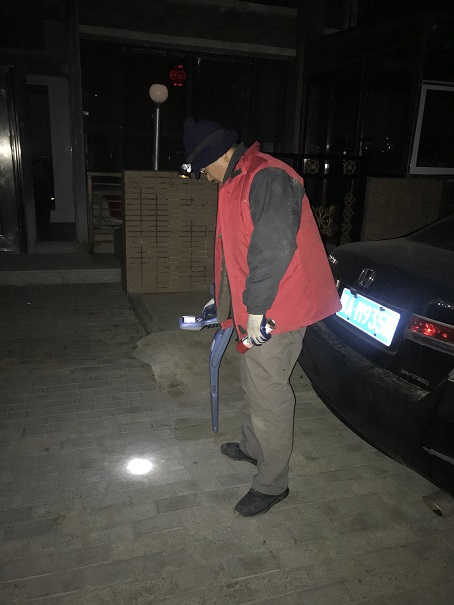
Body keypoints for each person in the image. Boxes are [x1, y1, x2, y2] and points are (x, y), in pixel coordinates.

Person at [181, 117, 341, 517]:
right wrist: (221, 302)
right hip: (257, 307)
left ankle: (272, 484)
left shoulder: (268, 177)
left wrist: (255, 311)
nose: (204, 178)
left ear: (216, 156)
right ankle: (254, 447)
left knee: (269, 394)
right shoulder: (237, 179)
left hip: (278, 309)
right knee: (254, 381)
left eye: (203, 169)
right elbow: (234, 249)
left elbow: (272, 251)